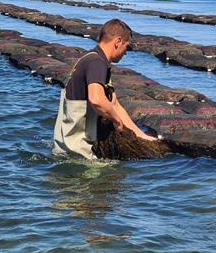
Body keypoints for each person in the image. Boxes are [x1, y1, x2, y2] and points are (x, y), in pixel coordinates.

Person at [53, 18, 156, 159]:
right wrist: (116, 120)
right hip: (80, 153)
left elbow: (116, 106)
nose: (126, 53)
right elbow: (96, 99)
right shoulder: (97, 63)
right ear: (118, 41)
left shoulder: (89, 59)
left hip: (64, 147)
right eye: (127, 47)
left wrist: (141, 135)